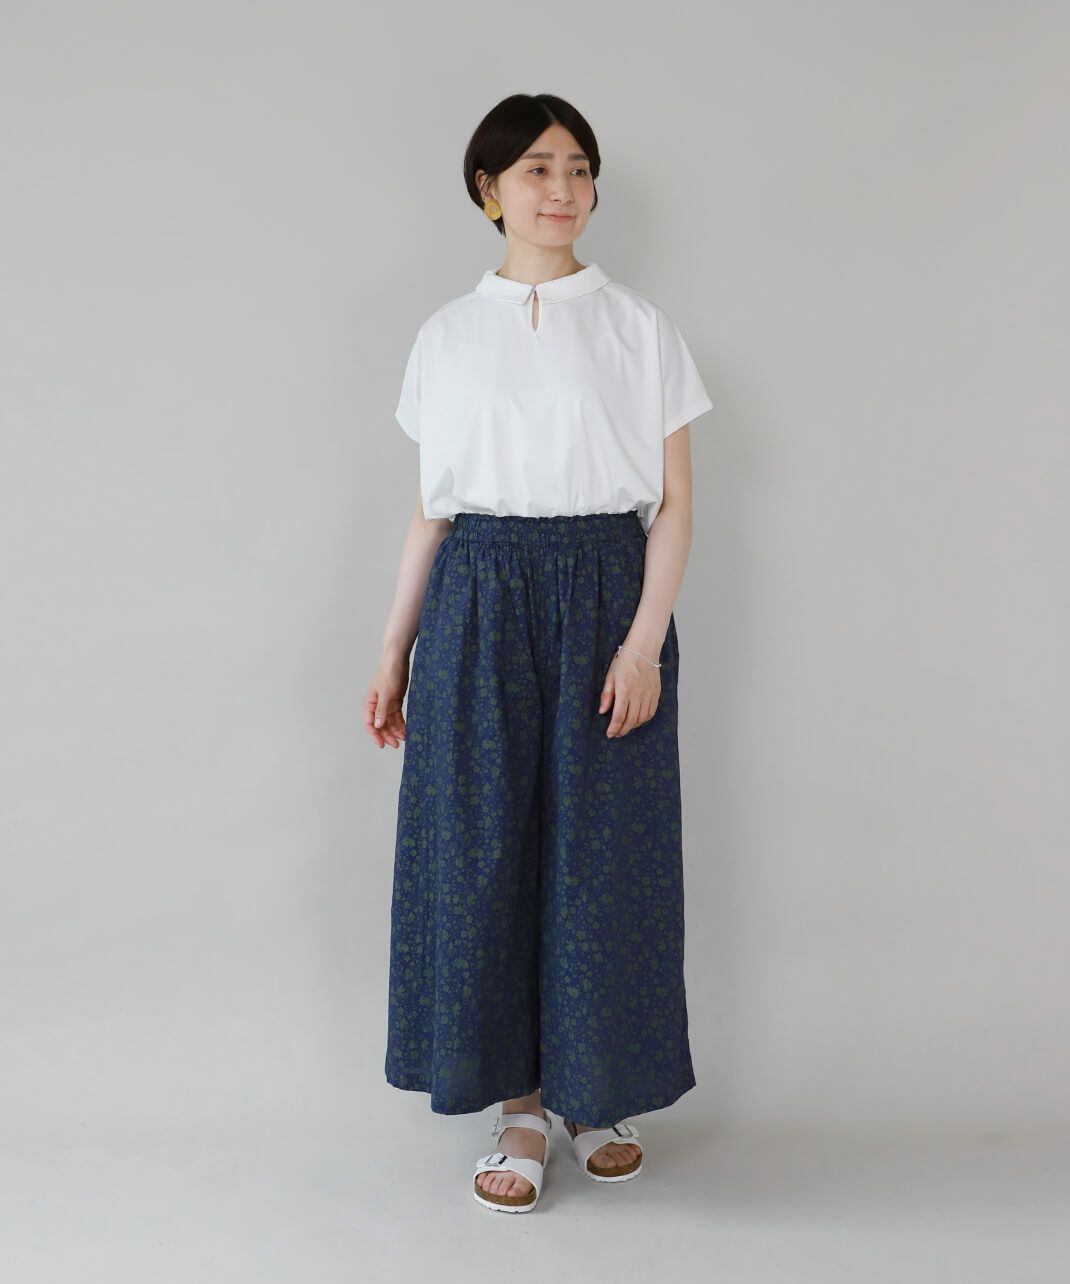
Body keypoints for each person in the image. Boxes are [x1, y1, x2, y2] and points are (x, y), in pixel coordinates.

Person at [365, 92, 714, 1214]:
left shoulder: (639, 327)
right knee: (484, 854)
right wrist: (394, 650)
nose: (559, 189)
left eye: (576, 168)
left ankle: (591, 1091)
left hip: (607, 591)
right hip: (477, 596)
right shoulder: (445, 335)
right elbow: (432, 510)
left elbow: (674, 504)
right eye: (533, 169)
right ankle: (518, 1107)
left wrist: (644, 642)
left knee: (604, 854)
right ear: (489, 191)